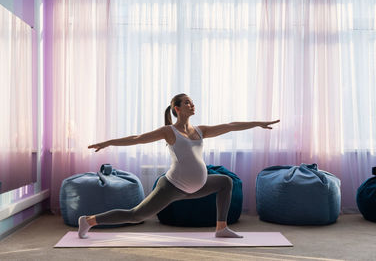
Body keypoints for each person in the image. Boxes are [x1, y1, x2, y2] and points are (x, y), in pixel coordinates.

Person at [79, 93, 280, 239]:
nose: (192, 105)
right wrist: (108, 143)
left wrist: (257, 123)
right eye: (187, 103)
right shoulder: (169, 131)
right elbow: (138, 138)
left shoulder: (200, 130)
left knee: (225, 182)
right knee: (136, 215)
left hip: (197, 187)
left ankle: (221, 229)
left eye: (192, 102)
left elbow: (230, 126)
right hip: (172, 187)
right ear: (177, 108)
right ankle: (88, 221)